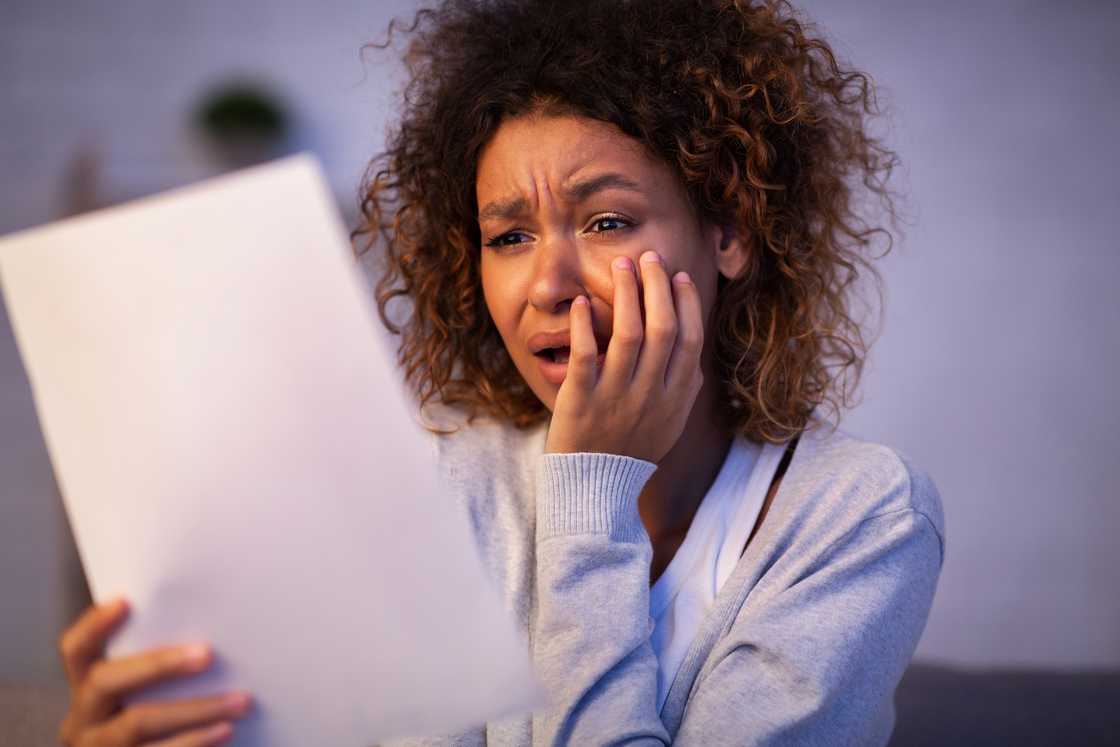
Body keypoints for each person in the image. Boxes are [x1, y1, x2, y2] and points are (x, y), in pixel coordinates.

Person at [56, 0, 945, 744]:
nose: (548, 284)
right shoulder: (441, 486)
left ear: (730, 231)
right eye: (509, 236)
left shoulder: (860, 515)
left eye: (606, 222)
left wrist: (591, 486)